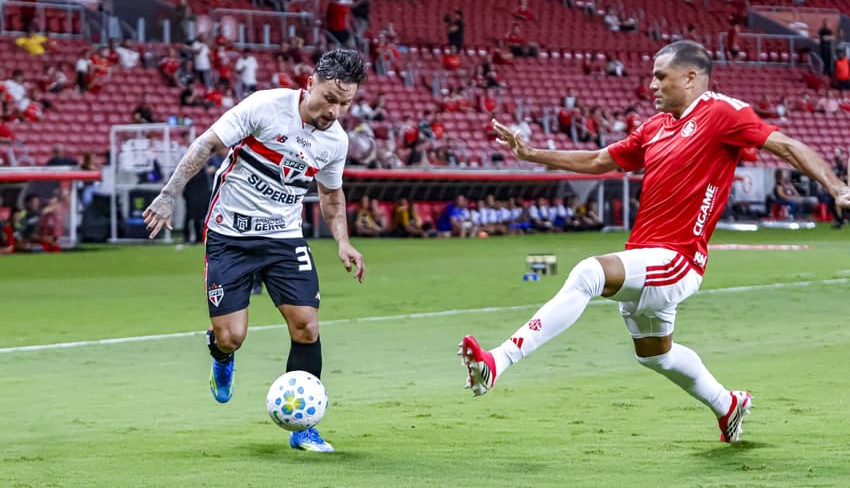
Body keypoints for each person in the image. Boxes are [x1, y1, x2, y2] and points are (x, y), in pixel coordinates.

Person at [459, 41, 850, 444]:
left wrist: (837, 188)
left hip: (679, 259)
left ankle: (498, 360)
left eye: (661, 76)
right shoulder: (654, 127)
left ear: (691, 78)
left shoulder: (722, 114)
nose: (652, 85)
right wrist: (531, 152)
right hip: (646, 257)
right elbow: (597, 161)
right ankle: (728, 404)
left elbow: (786, 145)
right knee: (655, 355)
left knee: (589, 273)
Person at [143, 50, 368, 453]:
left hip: (283, 238)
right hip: (230, 235)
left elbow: (331, 196)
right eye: (330, 98)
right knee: (232, 337)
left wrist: (343, 241)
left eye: (345, 103)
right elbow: (205, 145)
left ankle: (304, 429)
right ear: (311, 82)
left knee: (307, 327)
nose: (335, 110)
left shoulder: (335, 141)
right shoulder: (266, 106)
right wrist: (167, 196)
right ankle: (221, 356)